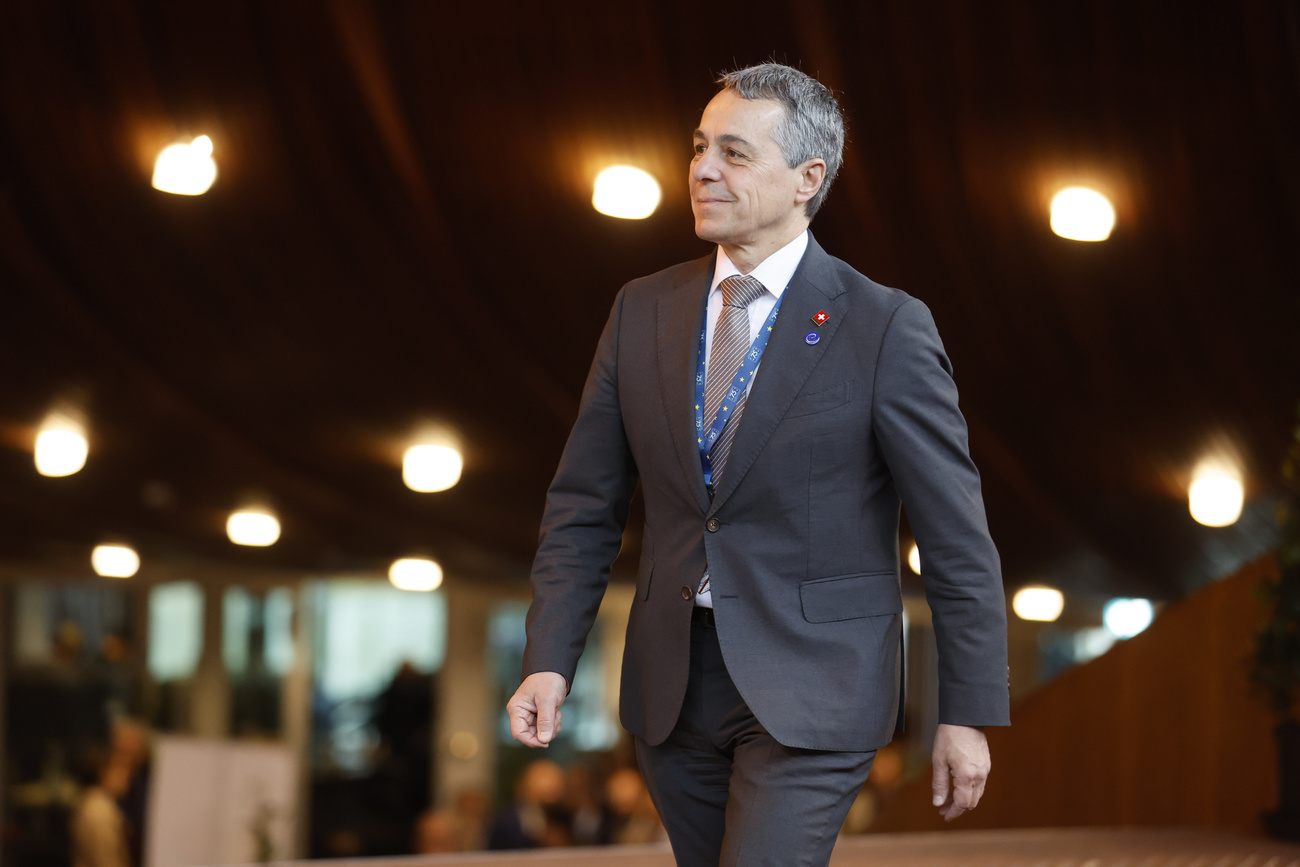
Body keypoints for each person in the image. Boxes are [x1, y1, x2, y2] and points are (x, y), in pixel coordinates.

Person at [507, 62, 1010, 866]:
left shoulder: (884, 326)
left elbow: (957, 536)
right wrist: (548, 661)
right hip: (672, 687)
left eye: (734, 153)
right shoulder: (641, 310)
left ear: (808, 177)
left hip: (818, 686)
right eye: (700, 146)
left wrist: (968, 710)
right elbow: (582, 504)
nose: (703, 168)